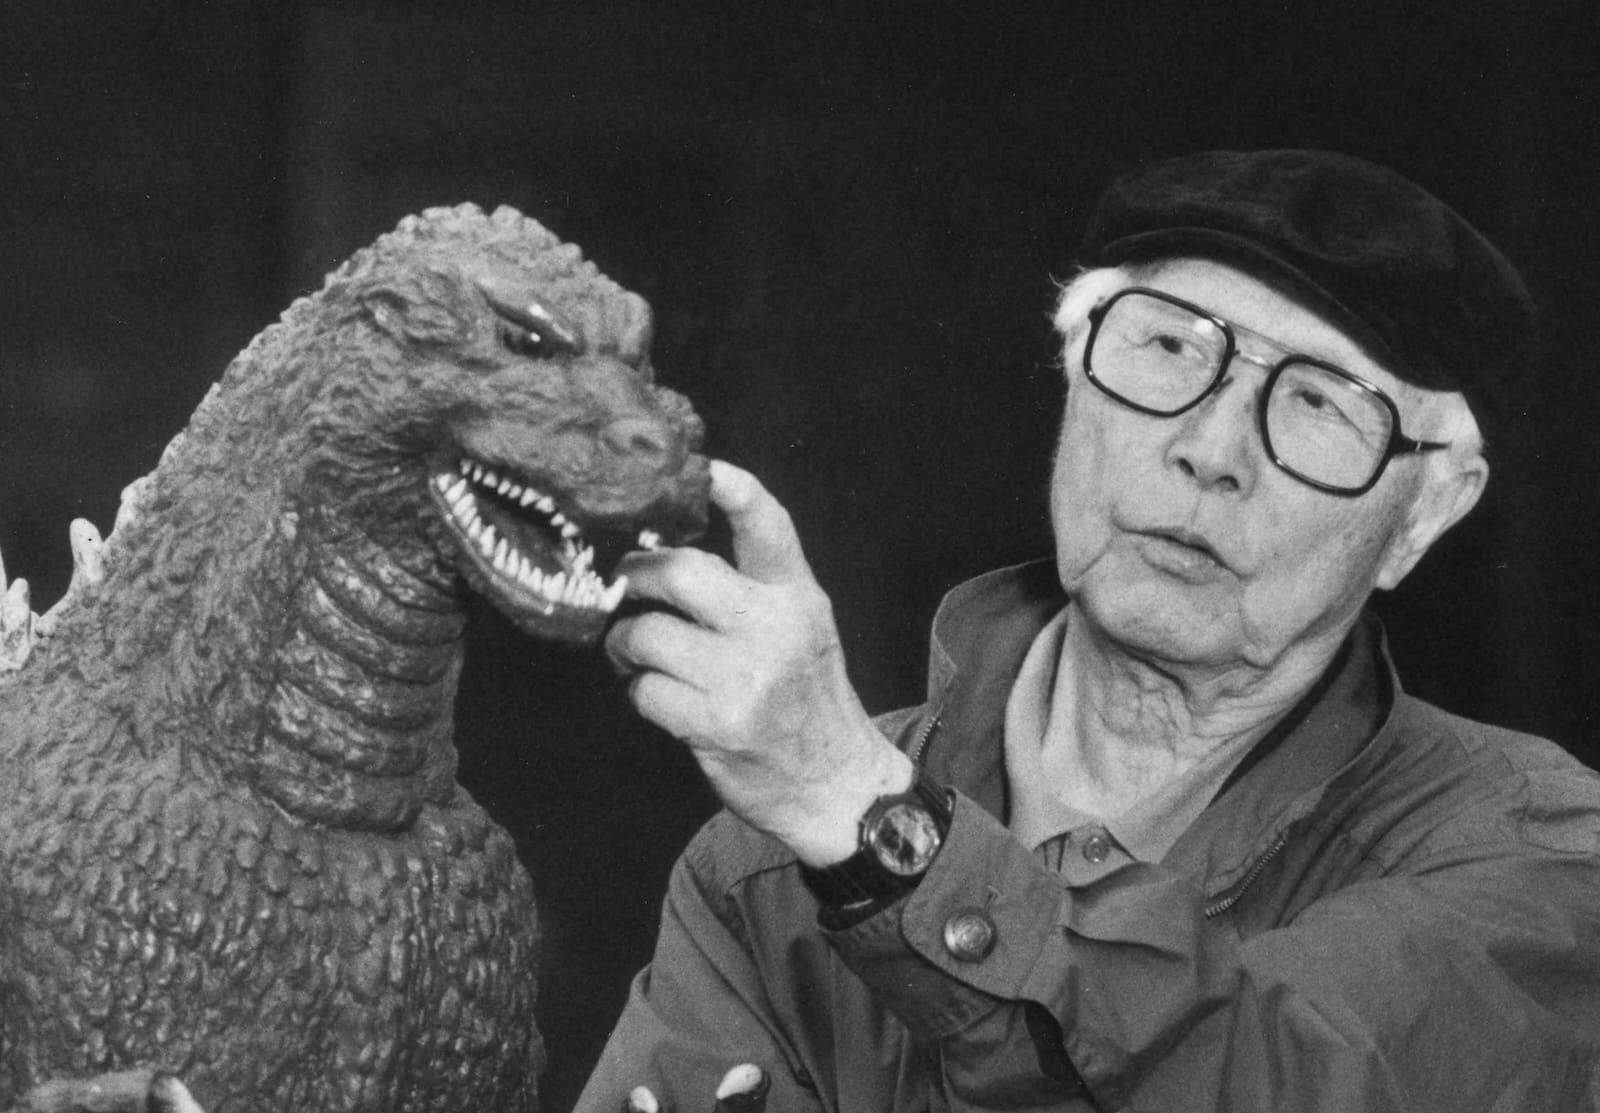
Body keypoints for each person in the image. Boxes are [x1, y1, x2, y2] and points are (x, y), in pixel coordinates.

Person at [588, 149, 1600, 1112]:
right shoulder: (758, 869)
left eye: (1320, 404)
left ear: (1424, 514)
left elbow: (1265, 1076)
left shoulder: (1528, 852)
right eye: (1170, 347)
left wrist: (861, 813)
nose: (1211, 449)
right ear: (1072, 376)